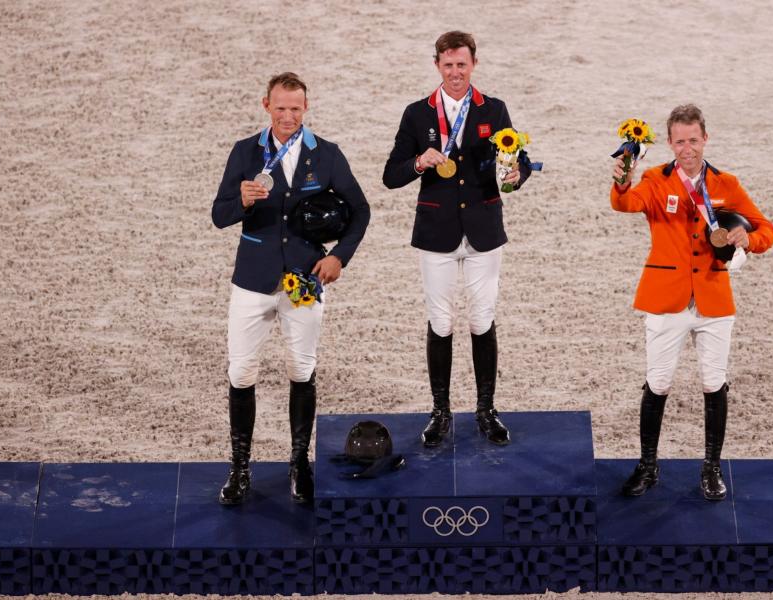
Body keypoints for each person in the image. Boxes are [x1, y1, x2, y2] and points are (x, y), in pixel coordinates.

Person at [212, 72, 370, 505]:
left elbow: (360, 210)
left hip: (304, 280)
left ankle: (299, 463)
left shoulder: (328, 155)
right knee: (241, 372)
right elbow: (218, 215)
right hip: (253, 279)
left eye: (295, 108)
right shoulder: (245, 152)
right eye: (280, 108)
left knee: (302, 369)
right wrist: (241, 201)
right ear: (266, 105)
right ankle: (240, 468)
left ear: (306, 107)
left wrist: (340, 256)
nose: (287, 116)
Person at [610, 104, 773, 500]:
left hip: (713, 300)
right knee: (659, 383)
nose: (687, 148)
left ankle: (711, 469)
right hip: (666, 299)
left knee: (713, 382)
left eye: (694, 140)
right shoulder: (654, 179)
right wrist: (620, 182)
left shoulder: (727, 184)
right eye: (680, 141)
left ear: (706, 138)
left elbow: (767, 230)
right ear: (669, 142)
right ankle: (648, 466)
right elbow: (625, 204)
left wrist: (747, 240)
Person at [383, 31, 534, 447]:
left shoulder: (494, 108)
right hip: (437, 233)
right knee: (441, 321)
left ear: (474, 64)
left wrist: (517, 175)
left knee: (482, 318)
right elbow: (391, 175)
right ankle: (440, 411)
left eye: (462, 64)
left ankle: (485, 410)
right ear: (437, 65)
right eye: (447, 65)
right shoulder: (417, 114)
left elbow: (517, 161)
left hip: (484, 228)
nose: (455, 72)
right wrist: (418, 162)